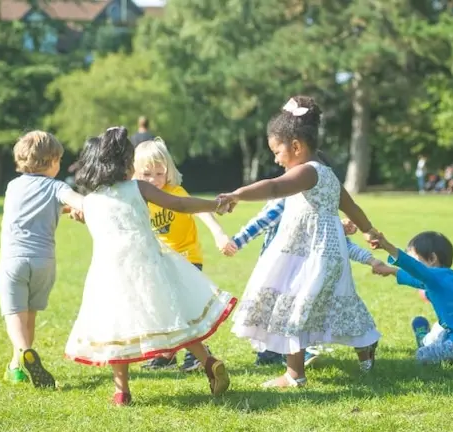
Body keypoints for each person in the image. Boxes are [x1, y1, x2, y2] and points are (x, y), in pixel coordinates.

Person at [64, 127, 236, 405]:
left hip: (109, 272)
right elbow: (179, 204)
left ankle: (122, 391)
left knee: (116, 327)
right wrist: (215, 205)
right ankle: (208, 361)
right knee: (174, 314)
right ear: (124, 164)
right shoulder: (137, 188)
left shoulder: (91, 201)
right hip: (149, 264)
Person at [218, 96, 382, 388]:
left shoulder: (306, 172)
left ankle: (295, 374)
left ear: (296, 146)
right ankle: (365, 350)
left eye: (277, 151)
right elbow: (352, 207)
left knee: (294, 304)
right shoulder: (328, 174)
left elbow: (274, 186)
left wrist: (238, 194)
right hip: (329, 253)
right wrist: (369, 230)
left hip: (309, 254)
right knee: (337, 302)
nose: (276, 159)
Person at [226, 201, 381, 367]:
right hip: (278, 268)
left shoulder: (319, 202)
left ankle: (300, 352)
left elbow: (340, 242)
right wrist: (236, 242)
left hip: (306, 269)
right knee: (271, 311)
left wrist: (368, 258)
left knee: (298, 310)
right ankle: (271, 354)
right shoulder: (287, 198)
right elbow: (263, 220)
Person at [131, 138, 234, 372]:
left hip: (187, 258)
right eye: (147, 174)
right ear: (134, 172)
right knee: (162, 307)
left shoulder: (175, 192)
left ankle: (198, 355)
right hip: (159, 262)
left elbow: (200, 211)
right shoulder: (138, 198)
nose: (154, 180)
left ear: (169, 171)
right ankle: (166, 356)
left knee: (184, 308)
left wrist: (218, 233)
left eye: (160, 173)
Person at [0, 131, 85, 388]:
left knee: (14, 313)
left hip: (14, 260)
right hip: (44, 261)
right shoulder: (57, 186)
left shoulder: (13, 186)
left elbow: (31, 205)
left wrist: (67, 208)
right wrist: (80, 209)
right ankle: (17, 365)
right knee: (30, 314)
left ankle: (23, 350)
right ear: (54, 160)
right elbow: (78, 202)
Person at [370, 230, 453, 364]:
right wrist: (391, 270)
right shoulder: (448, 276)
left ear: (432, 259)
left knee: (422, 355)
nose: (414, 268)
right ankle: (427, 340)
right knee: (439, 329)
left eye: (415, 260)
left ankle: (423, 341)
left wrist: (387, 247)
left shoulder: (433, 277)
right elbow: (414, 279)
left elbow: (413, 268)